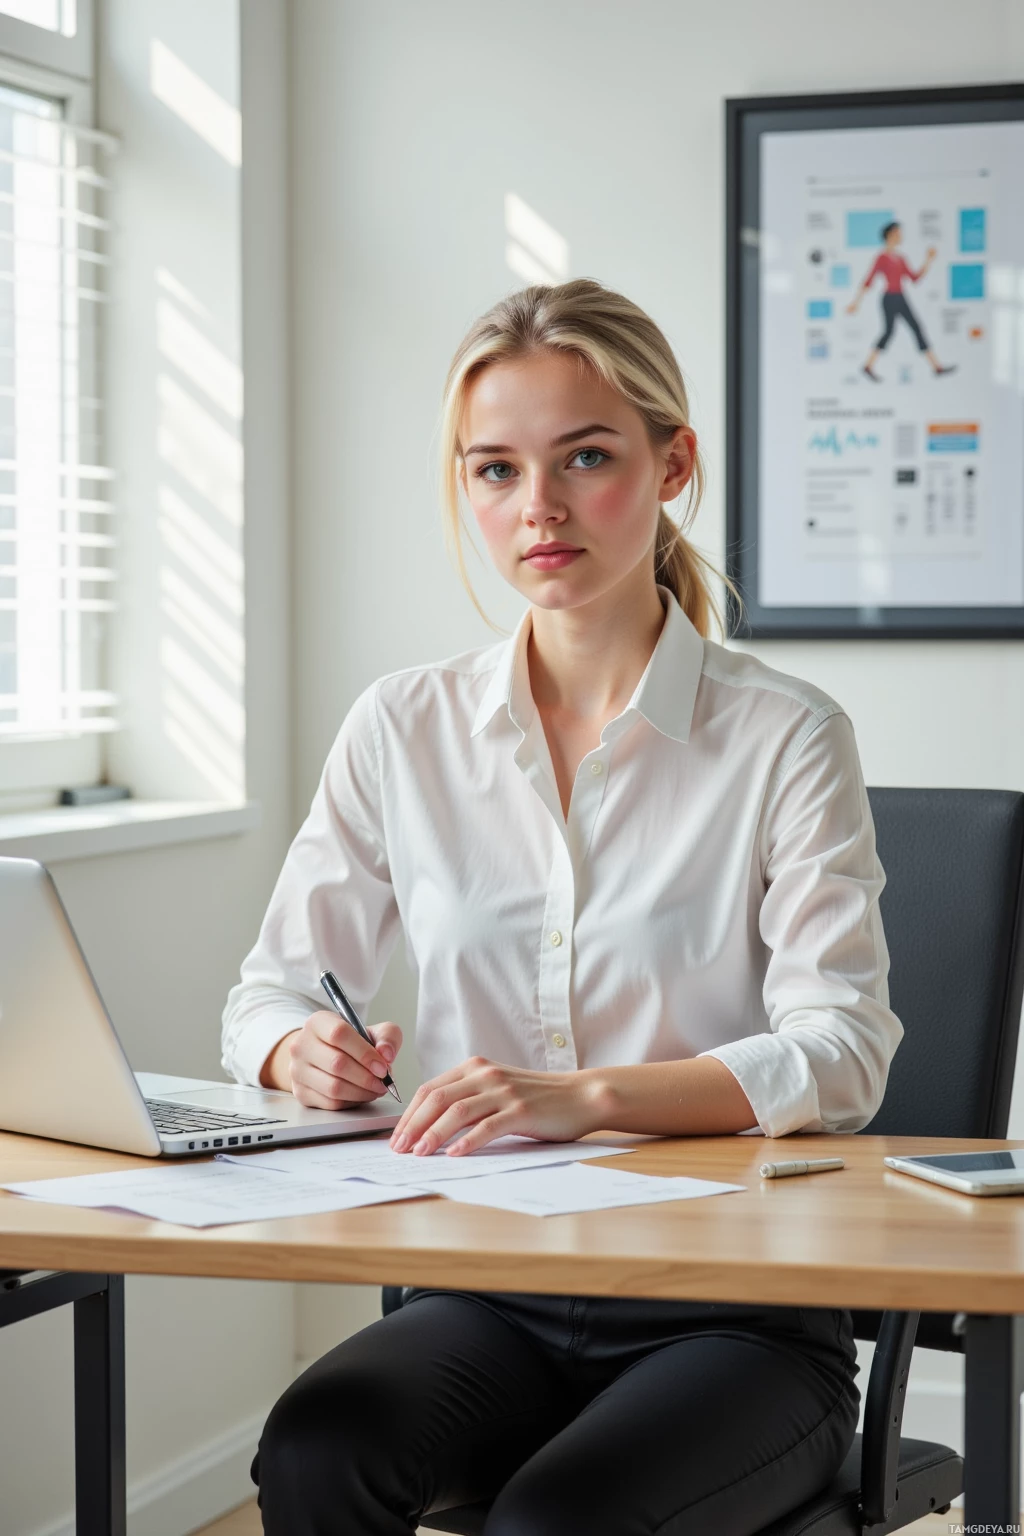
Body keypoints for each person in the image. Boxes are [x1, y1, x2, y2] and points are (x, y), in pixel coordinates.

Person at [222, 278, 903, 1535]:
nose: (534, 508)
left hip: (735, 1313)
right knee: (316, 1449)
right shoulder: (401, 726)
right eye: (493, 470)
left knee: (557, 1521)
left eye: (584, 457)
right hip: (482, 1290)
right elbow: (266, 990)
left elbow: (843, 1053)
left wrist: (579, 1098)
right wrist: (294, 1046)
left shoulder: (786, 735)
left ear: (670, 465)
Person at [847, 219, 955, 381]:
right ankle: (868, 365)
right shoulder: (882, 257)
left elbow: (915, 278)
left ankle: (936, 367)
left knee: (916, 328)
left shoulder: (900, 258)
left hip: (901, 297)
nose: (900, 236)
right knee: (888, 332)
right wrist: (856, 302)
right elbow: (869, 280)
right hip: (889, 298)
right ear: (890, 235)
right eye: (897, 233)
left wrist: (928, 260)